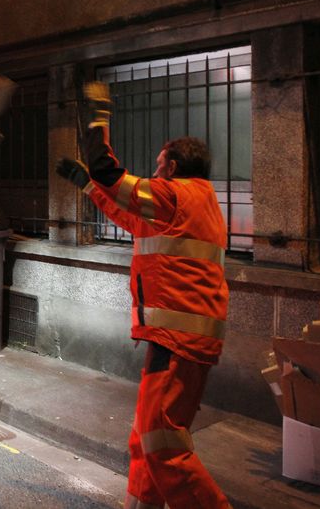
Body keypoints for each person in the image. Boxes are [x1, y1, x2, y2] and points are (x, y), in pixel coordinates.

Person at [56, 81, 231, 509]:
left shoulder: (175, 195)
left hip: (178, 340)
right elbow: (126, 212)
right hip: (176, 339)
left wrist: (98, 117)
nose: (153, 173)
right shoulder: (189, 206)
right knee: (148, 435)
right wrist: (86, 186)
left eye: (157, 166)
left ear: (171, 167)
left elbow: (112, 176)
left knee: (163, 443)